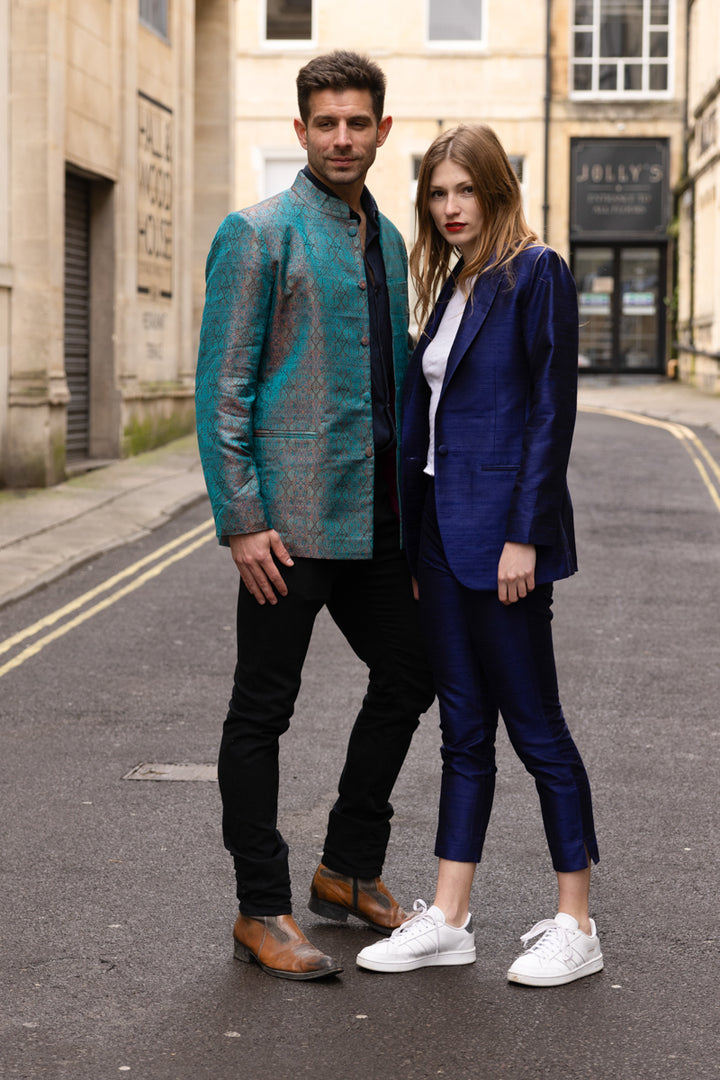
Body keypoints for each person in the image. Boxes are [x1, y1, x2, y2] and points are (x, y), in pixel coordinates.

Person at [195, 51, 434, 982]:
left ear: (382, 130)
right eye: (325, 122)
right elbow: (223, 387)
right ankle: (262, 906)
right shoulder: (258, 233)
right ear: (301, 132)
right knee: (263, 710)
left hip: (376, 520)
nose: (342, 137)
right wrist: (242, 519)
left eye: (358, 122)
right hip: (285, 533)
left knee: (412, 673)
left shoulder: (389, 241)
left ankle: (347, 866)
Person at [356, 123, 602, 987]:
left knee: (536, 728)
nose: (450, 207)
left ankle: (577, 919)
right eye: (436, 192)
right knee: (462, 734)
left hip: (504, 542)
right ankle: (450, 917)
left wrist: (524, 534)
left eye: (465, 190)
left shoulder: (537, 273)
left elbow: (548, 412)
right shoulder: (454, 280)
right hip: (438, 539)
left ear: (496, 190)